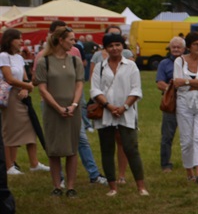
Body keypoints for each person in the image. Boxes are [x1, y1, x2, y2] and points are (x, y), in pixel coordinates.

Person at [90, 32, 148, 197]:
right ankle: (112, 187)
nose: (114, 48)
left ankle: (141, 187)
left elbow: (136, 89)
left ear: (123, 46)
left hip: (126, 113)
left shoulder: (131, 66)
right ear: (105, 48)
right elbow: (95, 90)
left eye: (117, 45)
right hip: (105, 113)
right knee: (107, 149)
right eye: (110, 46)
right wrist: (108, 106)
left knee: (131, 148)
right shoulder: (100, 67)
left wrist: (124, 107)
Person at [33, 26, 85, 196]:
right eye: (71, 39)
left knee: (72, 148)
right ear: (60, 40)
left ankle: (70, 187)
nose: (74, 42)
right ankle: (57, 186)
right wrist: (58, 108)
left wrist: (74, 105)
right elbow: (42, 89)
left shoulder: (75, 61)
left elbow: (79, 85)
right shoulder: (44, 62)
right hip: (52, 110)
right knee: (54, 149)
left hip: (73, 110)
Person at [1, 29, 48, 175]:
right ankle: (9, 165)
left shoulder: (19, 58)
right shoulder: (3, 56)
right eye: (18, 38)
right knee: (11, 129)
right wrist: (27, 86)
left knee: (30, 128)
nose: (21, 41)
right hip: (9, 96)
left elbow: (25, 78)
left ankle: (34, 163)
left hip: (22, 96)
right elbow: (9, 78)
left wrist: (26, 88)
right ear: (10, 40)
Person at [172, 32, 198, 184]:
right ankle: (189, 171)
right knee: (186, 140)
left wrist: (187, 82)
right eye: (196, 44)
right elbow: (177, 83)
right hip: (184, 104)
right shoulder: (179, 61)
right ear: (189, 46)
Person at [154, 36, 185, 172]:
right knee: (167, 136)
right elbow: (159, 83)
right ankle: (165, 164)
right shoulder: (164, 63)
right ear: (170, 48)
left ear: (184, 49)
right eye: (174, 47)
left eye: (179, 47)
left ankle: (192, 163)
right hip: (171, 103)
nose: (176, 49)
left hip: (188, 102)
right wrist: (171, 89)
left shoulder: (188, 62)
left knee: (190, 135)